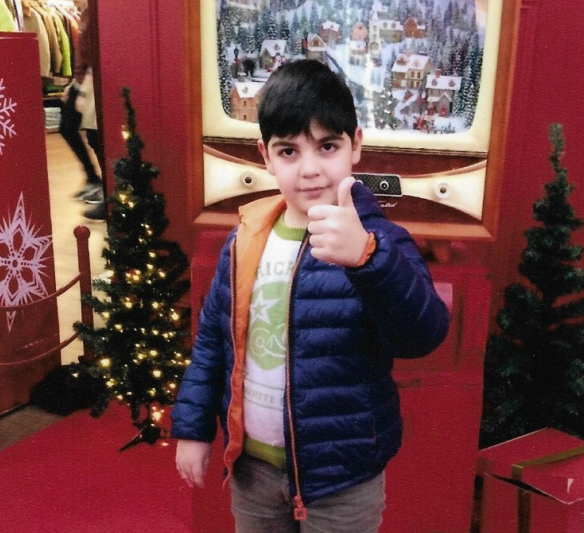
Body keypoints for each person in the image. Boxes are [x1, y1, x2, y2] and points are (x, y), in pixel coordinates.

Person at [171, 59, 450, 532]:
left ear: (355, 145)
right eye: (289, 151)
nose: (310, 170)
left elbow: (422, 336)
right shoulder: (245, 239)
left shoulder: (382, 241)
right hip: (253, 470)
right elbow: (213, 343)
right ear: (265, 156)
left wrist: (368, 259)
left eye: (327, 146)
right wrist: (193, 429)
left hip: (344, 475)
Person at [58, 0, 104, 216]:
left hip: (91, 83)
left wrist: (84, 91)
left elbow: (96, 58)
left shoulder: (95, 14)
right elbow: (83, 58)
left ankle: (107, 192)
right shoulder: (84, 14)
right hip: (81, 81)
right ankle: (93, 179)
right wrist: (72, 84)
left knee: (96, 137)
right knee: (67, 127)